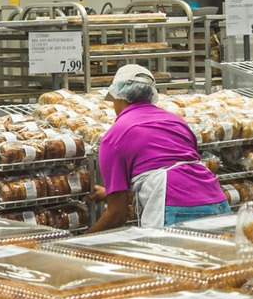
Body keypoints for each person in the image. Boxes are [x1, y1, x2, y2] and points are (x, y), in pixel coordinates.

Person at [89, 64, 230, 232]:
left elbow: (117, 214)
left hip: (175, 208)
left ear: (119, 97)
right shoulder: (177, 121)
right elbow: (177, 172)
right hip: (217, 202)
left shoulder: (115, 136)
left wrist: (78, 242)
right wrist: (111, 193)